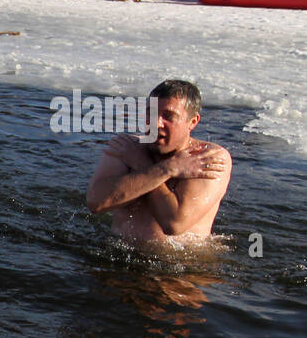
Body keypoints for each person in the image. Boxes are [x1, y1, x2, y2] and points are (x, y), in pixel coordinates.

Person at [86, 79, 230, 242]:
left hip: (182, 264)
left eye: (168, 116)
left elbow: (174, 224)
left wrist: (144, 165)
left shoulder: (207, 157)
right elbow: (95, 202)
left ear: (193, 122)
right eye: (151, 113)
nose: (155, 123)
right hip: (116, 255)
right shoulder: (128, 147)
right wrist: (165, 169)